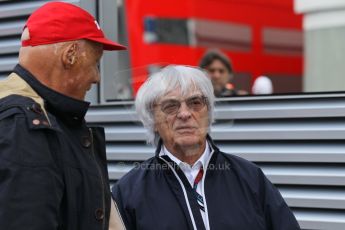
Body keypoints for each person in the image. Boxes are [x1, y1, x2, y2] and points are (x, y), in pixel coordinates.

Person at [112, 65, 300, 229]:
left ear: (208, 112)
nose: (185, 113)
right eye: (171, 106)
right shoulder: (127, 193)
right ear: (152, 119)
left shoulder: (250, 178)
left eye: (195, 103)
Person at [0, 2, 126, 230]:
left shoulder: (42, 117)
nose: (97, 78)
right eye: (96, 63)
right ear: (70, 55)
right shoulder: (26, 126)